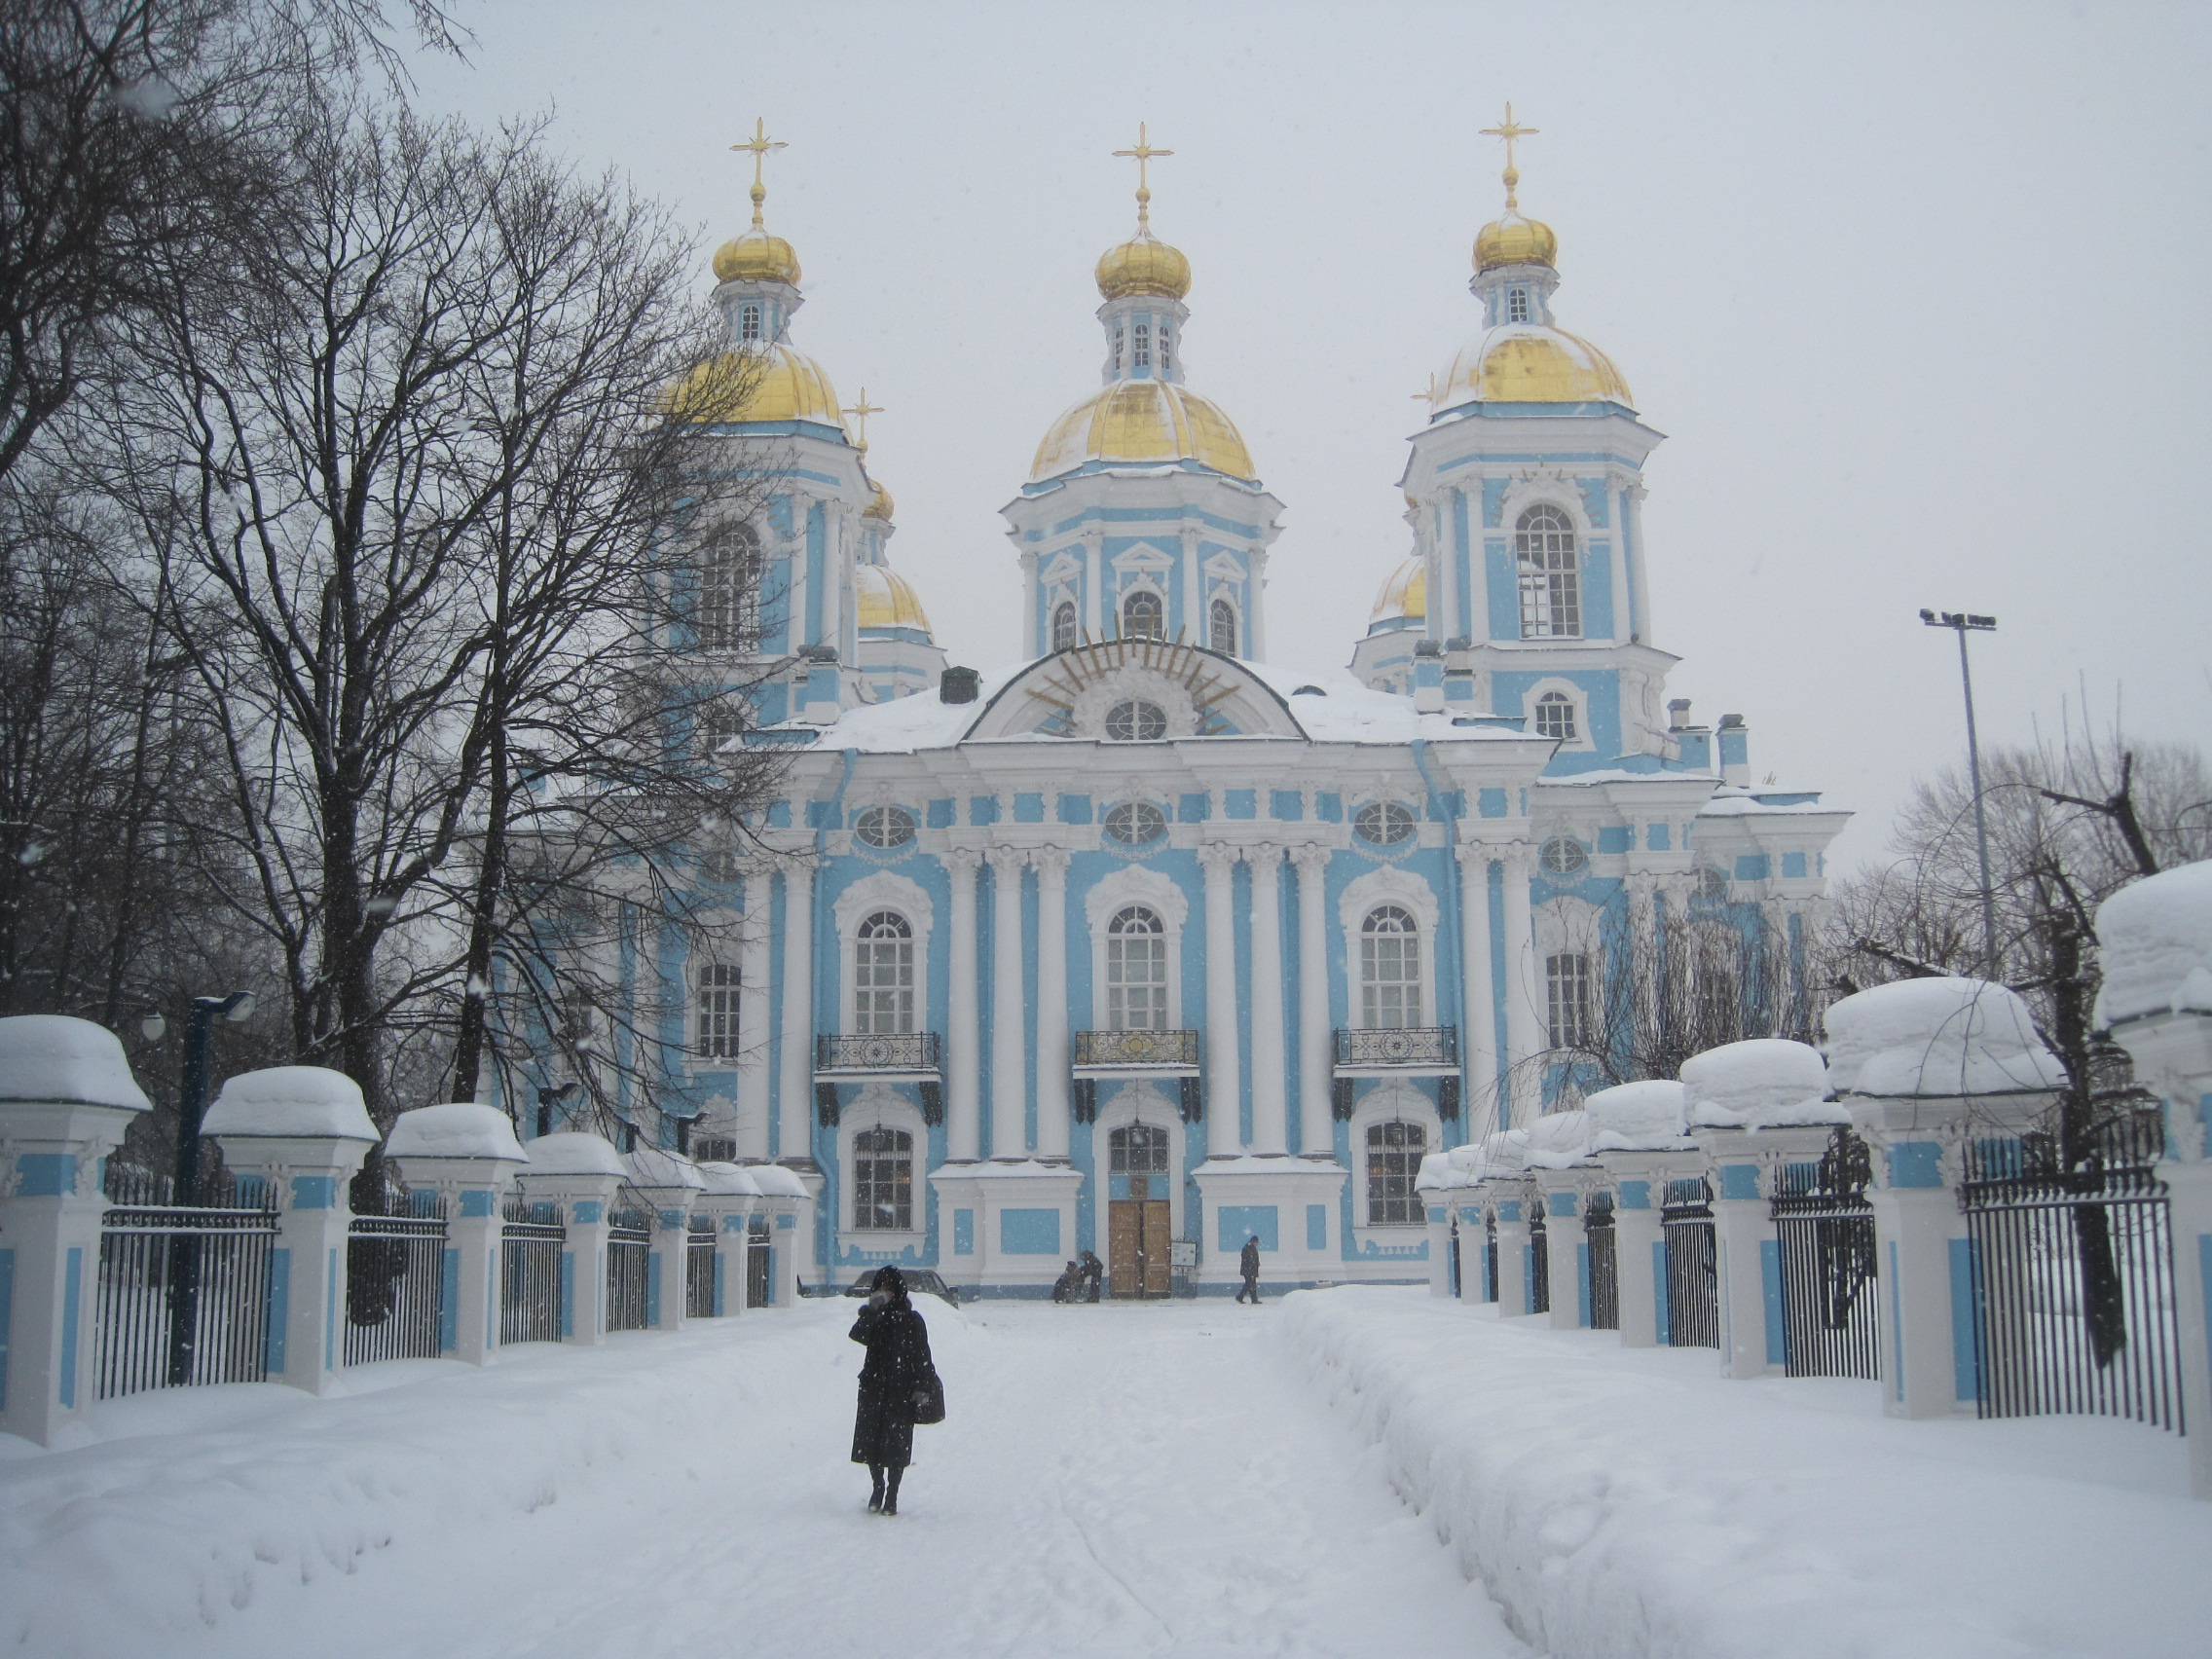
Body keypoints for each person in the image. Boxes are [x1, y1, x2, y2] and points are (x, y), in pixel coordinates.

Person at [849, 1266, 935, 1515]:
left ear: (898, 1290)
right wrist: (871, 1311)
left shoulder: (911, 1318)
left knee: (896, 1445)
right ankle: (878, 1487)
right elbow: (857, 1335)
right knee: (871, 1442)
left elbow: (922, 1355)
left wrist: (921, 1386)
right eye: (880, 1287)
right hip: (873, 1387)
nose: (884, 1292)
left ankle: (893, 1495)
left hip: (900, 1390)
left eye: (888, 1287)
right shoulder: (874, 1317)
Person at [1236, 1234, 1263, 1304]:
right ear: (1254, 1241)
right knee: (1250, 1285)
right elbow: (1250, 1259)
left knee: (1250, 1285)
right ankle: (1243, 1297)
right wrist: (1255, 1264)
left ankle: (1249, 1298)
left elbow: (1251, 1259)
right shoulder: (1249, 1248)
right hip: (1249, 1270)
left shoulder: (1249, 1247)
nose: (1257, 1244)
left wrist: (1256, 1263)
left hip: (1249, 1270)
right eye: (1257, 1242)